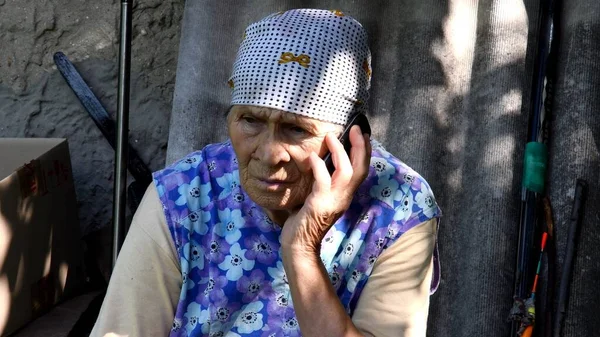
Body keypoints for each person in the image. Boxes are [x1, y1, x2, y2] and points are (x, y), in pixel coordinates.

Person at [91, 8, 441, 337]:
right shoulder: (183, 195)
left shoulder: (399, 207)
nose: (269, 154)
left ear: (351, 139)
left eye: (296, 129)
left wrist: (301, 248)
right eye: (251, 121)